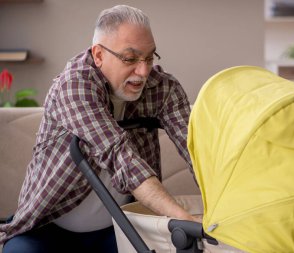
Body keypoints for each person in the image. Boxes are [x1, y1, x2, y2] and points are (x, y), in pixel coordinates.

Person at [1, 5, 197, 253]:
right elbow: (120, 157)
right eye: (130, 58)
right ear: (99, 55)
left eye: (149, 57)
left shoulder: (163, 89)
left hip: (118, 229)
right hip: (46, 228)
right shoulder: (73, 86)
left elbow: (197, 149)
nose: (144, 71)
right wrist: (184, 219)